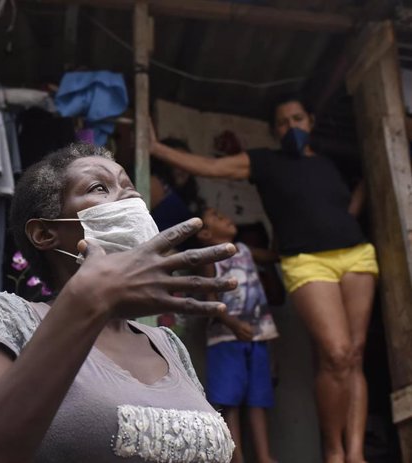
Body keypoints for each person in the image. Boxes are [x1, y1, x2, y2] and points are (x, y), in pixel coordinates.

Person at [0, 143, 238, 462]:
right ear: (44, 233)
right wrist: (87, 300)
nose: (129, 198)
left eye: (129, 187)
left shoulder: (168, 344)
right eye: (99, 187)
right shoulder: (10, 318)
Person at [150, 94, 379, 463]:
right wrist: (157, 147)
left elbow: (344, 209)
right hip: (306, 261)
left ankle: (355, 454)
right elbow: (210, 166)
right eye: (284, 123)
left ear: (311, 121)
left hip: (356, 254)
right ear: (275, 130)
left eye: (297, 119)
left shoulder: (327, 166)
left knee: (353, 354)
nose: (292, 127)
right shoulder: (265, 162)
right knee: (336, 354)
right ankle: (335, 453)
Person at [195, 207, 279, 463]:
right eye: (218, 218)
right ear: (207, 234)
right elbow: (210, 299)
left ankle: (265, 457)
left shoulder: (243, 249)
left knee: (258, 399)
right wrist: (232, 324)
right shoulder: (210, 258)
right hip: (226, 339)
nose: (227, 218)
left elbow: (274, 256)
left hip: (256, 335)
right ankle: (235, 456)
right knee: (229, 401)